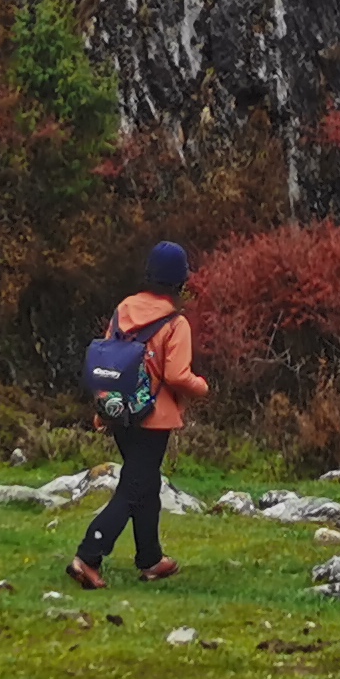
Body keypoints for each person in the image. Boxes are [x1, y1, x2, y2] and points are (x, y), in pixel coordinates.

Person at [71, 242, 207, 589]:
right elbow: (177, 375)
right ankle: (88, 555)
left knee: (145, 484)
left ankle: (150, 559)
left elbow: (108, 362)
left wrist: (103, 409)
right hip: (153, 419)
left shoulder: (123, 310)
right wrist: (201, 387)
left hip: (120, 414)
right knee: (133, 489)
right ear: (180, 282)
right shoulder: (175, 323)